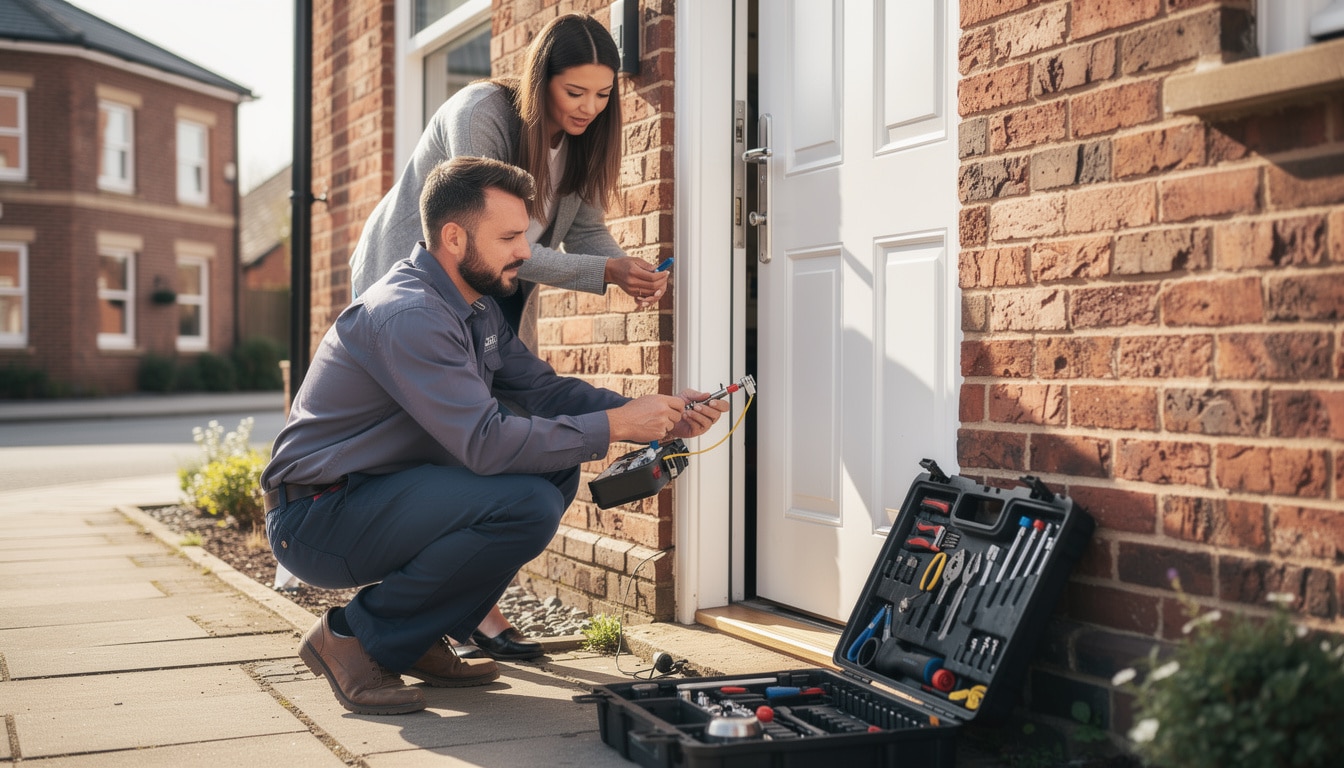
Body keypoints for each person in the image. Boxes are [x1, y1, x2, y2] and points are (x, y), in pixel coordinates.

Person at [262, 156, 727, 715]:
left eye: (524, 235)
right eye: (508, 236)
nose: (525, 251)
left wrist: (655, 415)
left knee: (554, 467)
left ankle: (417, 636)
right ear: (453, 238)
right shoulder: (408, 314)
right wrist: (618, 425)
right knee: (525, 502)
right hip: (319, 515)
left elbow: (544, 392)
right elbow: (485, 443)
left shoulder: (473, 308)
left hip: (377, 492)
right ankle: (352, 637)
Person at [347, 12, 668, 657]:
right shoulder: (484, 112)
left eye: (603, 96)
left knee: (512, 450)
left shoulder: (577, 144)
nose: (588, 108)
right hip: (420, 288)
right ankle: (433, 618)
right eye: (574, 92)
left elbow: (581, 232)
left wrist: (624, 267)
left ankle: (454, 610)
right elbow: (498, 240)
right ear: (540, 79)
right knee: (443, 448)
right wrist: (599, 273)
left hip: (489, 300)